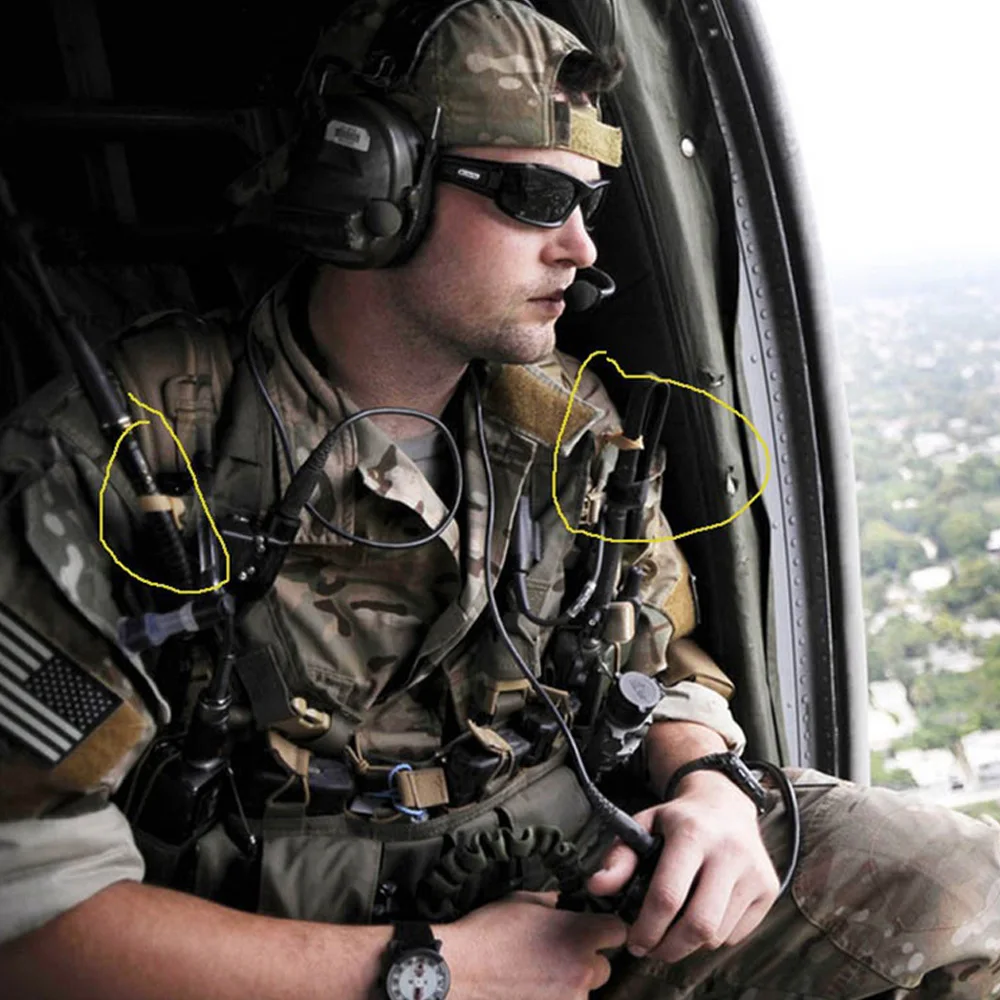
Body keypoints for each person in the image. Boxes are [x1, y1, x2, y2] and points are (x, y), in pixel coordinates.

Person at [0, 2, 998, 998]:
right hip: (278, 945)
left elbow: (654, 650)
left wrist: (706, 784)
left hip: (562, 894)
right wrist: (427, 972)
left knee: (956, 886)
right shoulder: (120, 457)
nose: (580, 248)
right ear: (371, 180)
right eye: (529, 195)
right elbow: (27, 911)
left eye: (586, 203)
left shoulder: (562, 417)